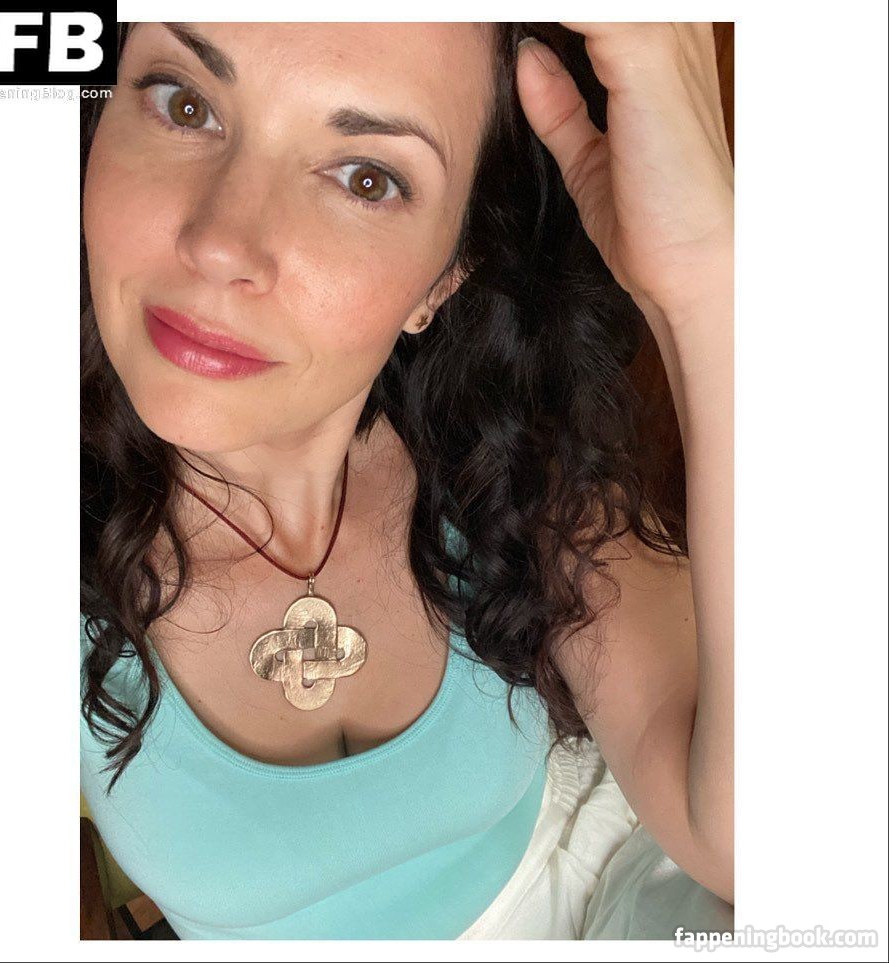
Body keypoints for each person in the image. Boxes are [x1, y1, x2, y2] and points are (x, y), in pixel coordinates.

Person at [80, 21, 734, 940]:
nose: (221, 242)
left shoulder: (505, 454)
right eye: (184, 104)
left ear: (443, 277)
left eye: (365, 177)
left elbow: (752, 846)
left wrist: (707, 282)